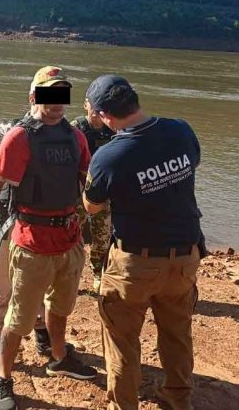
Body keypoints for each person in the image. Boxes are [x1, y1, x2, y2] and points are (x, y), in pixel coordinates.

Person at [82, 75, 205, 410]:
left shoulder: (109, 156)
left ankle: (123, 405)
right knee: (177, 333)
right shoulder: (181, 130)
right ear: (135, 100)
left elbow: (93, 206)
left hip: (135, 262)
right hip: (184, 256)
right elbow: (191, 165)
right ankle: (179, 399)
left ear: (105, 116)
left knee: (122, 341)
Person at [0, 66, 97, 410]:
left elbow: (89, 179)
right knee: (18, 318)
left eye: (61, 94)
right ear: (35, 96)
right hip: (32, 240)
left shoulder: (75, 136)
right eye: (49, 94)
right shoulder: (20, 137)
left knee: (61, 307)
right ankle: (5, 377)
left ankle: (59, 357)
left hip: (69, 238)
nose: (56, 103)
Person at [0, 111, 68, 378]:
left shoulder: (62, 133)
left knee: (39, 284)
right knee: (2, 285)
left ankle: (42, 333)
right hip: (8, 219)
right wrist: (14, 144)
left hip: (41, 225)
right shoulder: (9, 126)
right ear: (33, 97)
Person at [71, 97, 115, 293]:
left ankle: (99, 274)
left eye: (100, 108)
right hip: (79, 191)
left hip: (102, 193)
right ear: (85, 105)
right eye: (92, 107)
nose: (96, 113)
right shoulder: (75, 128)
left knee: (103, 236)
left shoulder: (112, 130)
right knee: (72, 233)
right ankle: (70, 274)